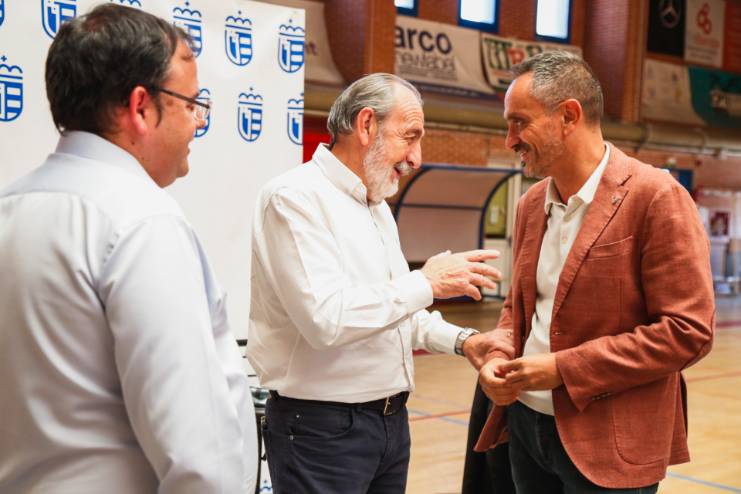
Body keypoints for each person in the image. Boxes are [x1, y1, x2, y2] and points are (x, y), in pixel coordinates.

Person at [0, 5, 256, 493]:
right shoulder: (141, 222)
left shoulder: (10, 207)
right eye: (191, 104)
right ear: (140, 107)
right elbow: (198, 457)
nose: (197, 122)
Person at [247, 73, 503, 494]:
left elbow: (395, 312)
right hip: (321, 432)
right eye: (410, 137)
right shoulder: (294, 198)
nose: (416, 158)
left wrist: (465, 341)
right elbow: (325, 320)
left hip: (389, 424)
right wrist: (426, 282)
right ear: (366, 125)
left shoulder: (376, 206)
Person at [476, 50, 715, 493]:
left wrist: (564, 369)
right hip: (526, 429)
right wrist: (497, 354)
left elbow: (688, 331)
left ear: (569, 116)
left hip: (611, 442)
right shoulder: (531, 204)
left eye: (519, 123)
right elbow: (518, 309)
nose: (510, 140)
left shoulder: (655, 196)